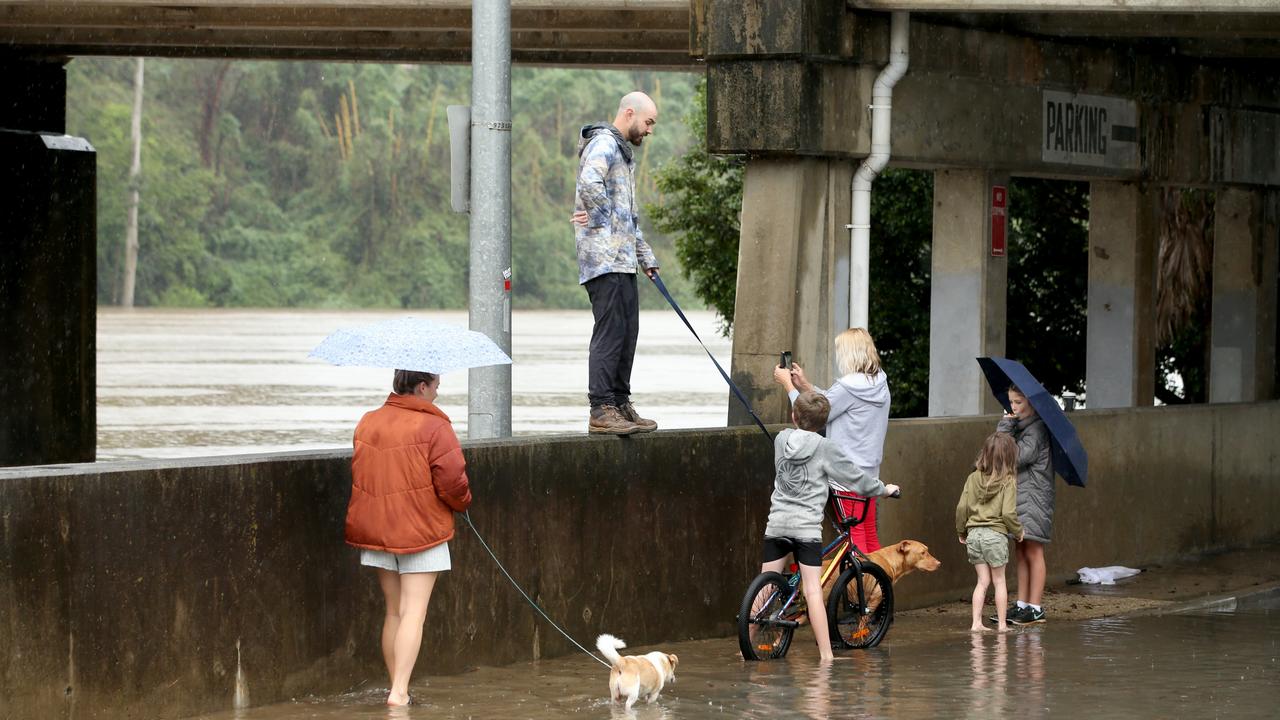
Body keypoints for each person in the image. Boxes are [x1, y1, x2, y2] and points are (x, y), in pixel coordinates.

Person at [344, 369, 473, 706]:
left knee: (394, 612)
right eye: (435, 387)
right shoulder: (434, 426)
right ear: (421, 386)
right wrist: (462, 504)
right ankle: (399, 692)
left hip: (377, 528)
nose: (437, 395)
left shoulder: (368, 421)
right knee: (414, 612)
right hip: (421, 531)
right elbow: (453, 480)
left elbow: (361, 472)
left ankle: (395, 686)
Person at [759, 391, 900, 661]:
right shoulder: (825, 448)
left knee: (764, 587)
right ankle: (826, 656)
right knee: (813, 590)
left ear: (793, 416)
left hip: (777, 522)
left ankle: (745, 646)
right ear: (824, 424)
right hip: (805, 529)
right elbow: (856, 478)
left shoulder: (780, 439)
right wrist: (884, 489)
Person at [570, 91, 660, 436]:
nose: (649, 130)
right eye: (648, 122)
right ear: (629, 113)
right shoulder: (604, 144)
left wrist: (646, 259)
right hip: (603, 259)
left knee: (628, 331)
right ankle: (601, 407)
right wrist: (601, 217)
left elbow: (629, 218)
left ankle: (620, 402)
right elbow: (588, 182)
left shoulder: (623, 155)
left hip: (622, 260)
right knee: (610, 332)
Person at [773, 328, 891, 552]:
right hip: (870, 471)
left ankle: (861, 586)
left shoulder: (848, 387)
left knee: (854, 537)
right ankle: (879, 584)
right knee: (869, 534)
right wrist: (805, 386)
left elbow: (809, 414)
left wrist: (788, 385)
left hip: (846, 473)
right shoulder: (878, 382)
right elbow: (831, 402)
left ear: (849, 354)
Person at [995, 383, 1054, 625]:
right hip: (1020, 497)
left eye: (1018, 402)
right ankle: (1022, 603)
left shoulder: (1037, 429)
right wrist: (1009, 427)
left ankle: (1035, 606)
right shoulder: (1021, 427)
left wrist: (1006, 428)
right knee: (1020, 550)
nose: (1013, 407)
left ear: (1031, 402)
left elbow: (1018, 457)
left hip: (1035, 497)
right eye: (1011, 402)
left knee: (1033, 550)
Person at [956, 432, 1023, 632]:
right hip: (995, 535)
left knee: (982, 582)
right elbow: (1008, 513)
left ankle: (976, 623)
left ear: (984, 453)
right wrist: (1018, 532)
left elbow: (961, 508)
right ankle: (1002, 625)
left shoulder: (972, 478)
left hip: (974, 535)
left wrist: (962, 531)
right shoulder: (1008, 481)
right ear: (1010, 456)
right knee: (999, 581)